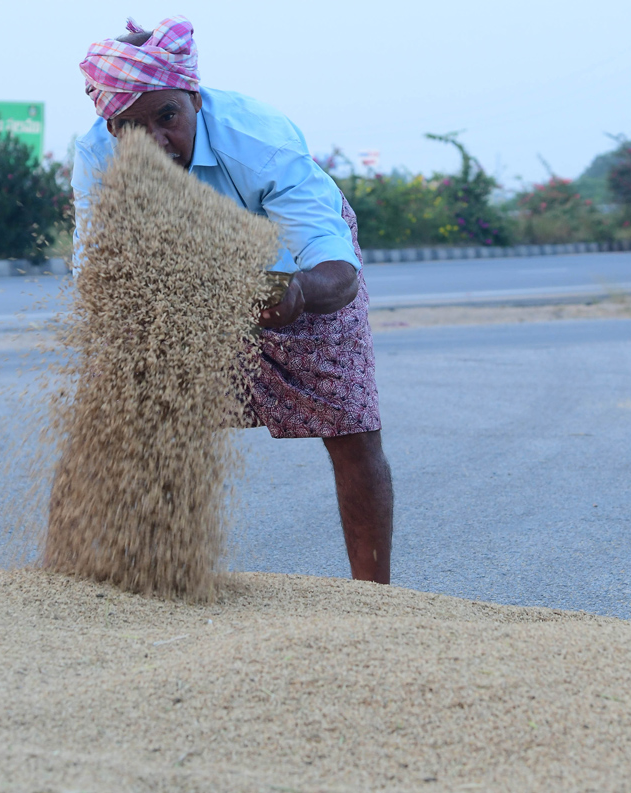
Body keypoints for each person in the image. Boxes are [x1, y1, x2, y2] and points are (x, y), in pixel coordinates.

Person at [73, 16, 393, 583]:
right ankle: (143, 578)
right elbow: (96, 269)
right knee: (124, 408)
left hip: (294, 271)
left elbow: (336, 269)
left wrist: (295, 293)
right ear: (110, 123)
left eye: (166, 117)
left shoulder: (261, 144)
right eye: (129, 125)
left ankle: (375, 598)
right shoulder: (97, 153)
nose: (151, 141)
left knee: (351, 425)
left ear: (193, 97)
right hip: (183, 268)